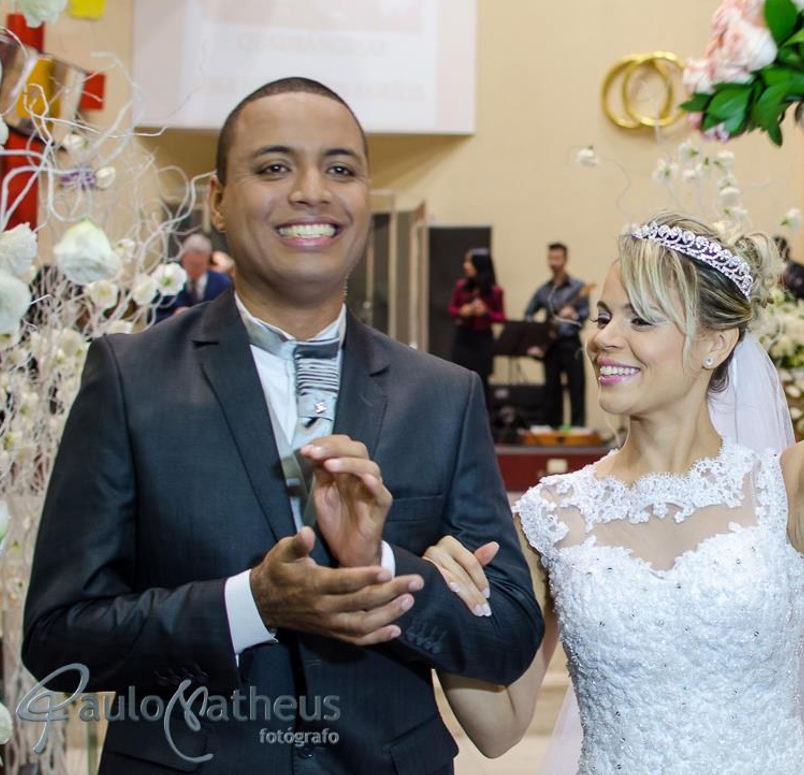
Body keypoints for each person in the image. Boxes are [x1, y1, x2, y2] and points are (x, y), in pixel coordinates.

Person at [23, 77, 542, 774]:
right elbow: (58, 640)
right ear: (216, 200)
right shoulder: (130, 377)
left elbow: (507, 637)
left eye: (340, 169)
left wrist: (382, 566)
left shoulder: (442, 396)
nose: (311, 191)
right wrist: (250, 607)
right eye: (273, 167)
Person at [425, 69, 804, 771]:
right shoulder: (550, 516)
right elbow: (500, 727)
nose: (604, 337)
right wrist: (438, 612)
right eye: (602, 316)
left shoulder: (786, 493)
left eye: (639, 319)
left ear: (715, 344)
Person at [524, 242, 590, 427]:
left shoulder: (578, 287)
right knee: (551, 388)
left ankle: (578, 428)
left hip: (570, 342)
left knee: (576, 386)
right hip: (550, 345)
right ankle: (553, 428)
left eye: (557, 258)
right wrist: (539, 332)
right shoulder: (543, 290)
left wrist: (573, 314)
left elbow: (584, 316)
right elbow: (528, 313)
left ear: (565, 260)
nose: (554, 262)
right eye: (551, 258)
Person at [449, 247, 505, 403]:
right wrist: (462, 311)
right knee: (459, 378)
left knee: (482, 381)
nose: (466, 266)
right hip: (463, 337)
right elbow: (451, 309)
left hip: (483, 339)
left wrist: (486, 312)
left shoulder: (495, 291)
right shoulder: (461, 286)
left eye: (470, 262)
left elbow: (501, 317)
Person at [154, 232, 233, 321]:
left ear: (208, 260)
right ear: (183, 257)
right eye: (191, 264)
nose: (195, 269)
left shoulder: (223, 284)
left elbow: (230, 318)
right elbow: (153, 317)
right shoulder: (167, 280)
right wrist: (174, 317)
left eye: (200, 265)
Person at [775, 234, 804, 309]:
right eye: (774, 250)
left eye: (781, 248)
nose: (779, 252)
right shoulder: (764, 273)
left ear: (787, 249)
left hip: (795, 315)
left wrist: (788, 284)